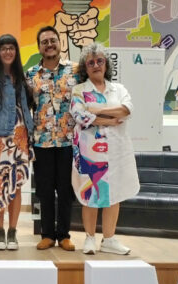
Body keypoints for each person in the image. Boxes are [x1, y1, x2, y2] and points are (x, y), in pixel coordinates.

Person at [70, 43, 140, 255]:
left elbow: (127, 110)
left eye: (100, 61)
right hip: (90, 152)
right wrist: (108, 120)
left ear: (106, 64)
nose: (96, 65)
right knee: (91, 194)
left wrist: (95, 110)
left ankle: (109, 239)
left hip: (117, 150)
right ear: (85, 67)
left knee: (114, 194)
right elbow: (79, 115)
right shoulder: (79, 90)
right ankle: (90, 238)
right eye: (90, 62)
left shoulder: (119, 89)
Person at [0, 34, 34, 250]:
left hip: (21, 139)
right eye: (4, 48)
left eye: (11, 48)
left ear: (16, 52)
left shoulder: (21, 77)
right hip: (0, 138)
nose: (8, 52)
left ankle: (13, 232)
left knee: (16, 185)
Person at [26, 26, 77, 252]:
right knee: (44, 190)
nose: (49, 45)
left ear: (60, 43)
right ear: (39, 47)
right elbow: (26, 106)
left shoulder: (75, 70)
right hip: (42, 141)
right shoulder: (31, 74)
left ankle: (64, 235)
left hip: (69, 141)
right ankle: (47, 234)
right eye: (44, 41)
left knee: (66, 190)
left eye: (52, 40)